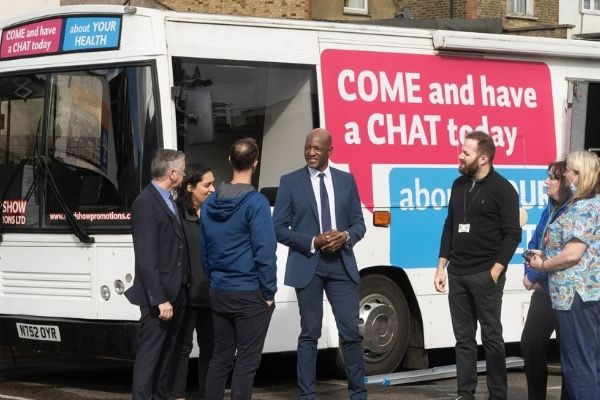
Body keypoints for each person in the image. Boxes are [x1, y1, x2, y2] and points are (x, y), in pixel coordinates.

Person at [272, 128, 367, 400]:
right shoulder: (290, 182)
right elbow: (278, 228)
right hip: (308, 266)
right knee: (309, 333)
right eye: (307, 147)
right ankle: (307, 396)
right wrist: (313, 241)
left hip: (341, 266)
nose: (310, 152)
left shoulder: (346, 181)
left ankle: (358, 394)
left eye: (316, 148)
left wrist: (346, 236)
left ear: (330, 151)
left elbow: (359, 224)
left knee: (350, 332)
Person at [434, 131, 522, 400]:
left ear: (483, 158)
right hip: (457, 273)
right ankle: (465, 393)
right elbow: (450, 225)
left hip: (486, 274)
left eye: (466, 152)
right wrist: (441, 267)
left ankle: (497, 394)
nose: (460, 156)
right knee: (463, 339)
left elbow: (512, 234)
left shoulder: (503, 189)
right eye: (462, 151)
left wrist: (495, 271)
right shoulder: (458, 185)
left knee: (492, 337)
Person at [200, 138, 277, 400]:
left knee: (220, 357)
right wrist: (269, 292)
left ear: (229, 161)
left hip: (220, 290)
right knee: (246, 363)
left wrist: (215, 280)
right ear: (255, 163)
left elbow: (205, 249)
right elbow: (265, 251)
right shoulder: (256, 203)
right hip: (250, 291)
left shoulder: (209, 203)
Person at [528, 150, 600, 400]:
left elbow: (572, 254)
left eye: (568, 170)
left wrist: (543, 265)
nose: (565, 173)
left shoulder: (582, 208)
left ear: (579, 175)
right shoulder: (592, 204)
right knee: (589, 363)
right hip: (585, 296)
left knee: (578, 366)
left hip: (574, 298)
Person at [124, 149, 189, 400]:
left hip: (176, 291)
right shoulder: (145, 202)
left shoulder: (168, 199)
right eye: (182, 170)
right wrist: (159, 298)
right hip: (160, 297)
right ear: (172, 173)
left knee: (166, 353)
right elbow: (146, 258)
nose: (184, 173)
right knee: (151, 355)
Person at [521, 161, 570, 400]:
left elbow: (562, 254)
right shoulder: (549, 208)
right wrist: (530, 274)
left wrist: (537, 274)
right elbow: (535, 243)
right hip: (543, 290)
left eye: (552, 177)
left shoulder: (573, 210)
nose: (546, 181)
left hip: (564, 292)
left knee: (568, 354)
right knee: (530, 344)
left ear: (564, 182)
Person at [169, 163, 216, 400]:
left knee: (211, 349)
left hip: (211, 294)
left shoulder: (215, 212)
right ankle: (177, 395)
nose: (212, 189)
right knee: (181, 349)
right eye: (207, 185)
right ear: (189, 187)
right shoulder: (176, 214)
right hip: (185, 296)